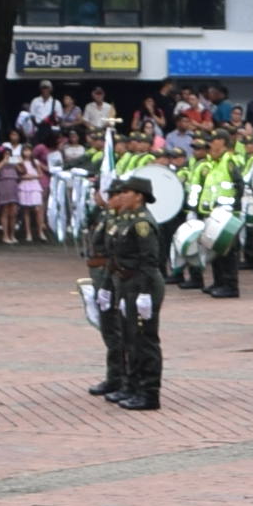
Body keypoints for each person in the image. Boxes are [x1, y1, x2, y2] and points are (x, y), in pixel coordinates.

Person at [87, 172, 166, 410]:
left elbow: (149, 261)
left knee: (144, 340)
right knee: (130, 338)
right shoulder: (128, 220)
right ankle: (132, 386)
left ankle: (149, 393)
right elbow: (115, 258)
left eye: (126, 192)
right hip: (127, 283)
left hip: (142, 284)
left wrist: (144, 293)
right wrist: (108, 287)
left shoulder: (142, 223)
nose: (121, 196)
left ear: (139, 196)